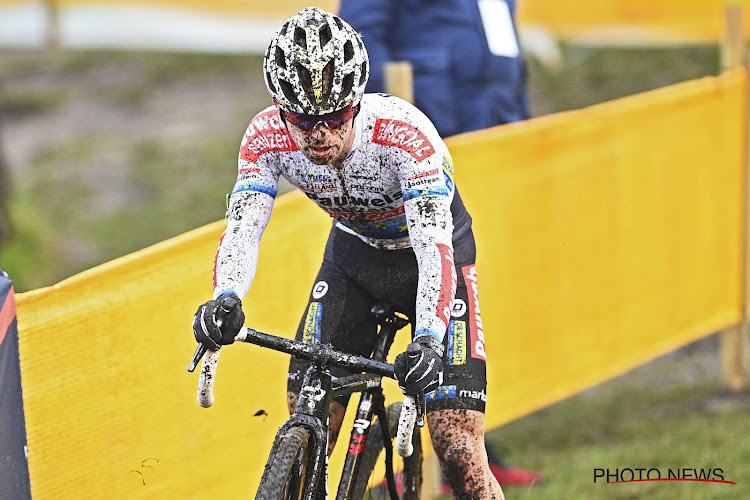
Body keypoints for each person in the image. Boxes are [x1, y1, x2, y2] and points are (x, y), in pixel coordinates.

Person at [193, 7, 505, 498]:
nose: (319, 134)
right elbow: (243, 227)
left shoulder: (403, 137)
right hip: (354, 260)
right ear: (279, 107)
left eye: (335, 117)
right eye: (301, 119)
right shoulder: (265, 137)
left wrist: (427, 338)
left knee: (459, 449)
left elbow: (432, 249)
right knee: (309, 414)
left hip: (432, 261)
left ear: (357, 101)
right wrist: (225, 295)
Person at [338, 1, 543, 489]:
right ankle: (401, 462)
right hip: (430, 141)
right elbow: (362, 35)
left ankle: (471, 451)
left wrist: (516, 111)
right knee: (424, 299)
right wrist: (390, 139)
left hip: (489, 132)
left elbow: (497, 26)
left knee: (468, 311)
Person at [337, 0, 530, 139]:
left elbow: (509, 55)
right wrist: (396, 129)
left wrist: (521, 117)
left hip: (504, 130)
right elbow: (359, 40)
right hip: (429, 140)